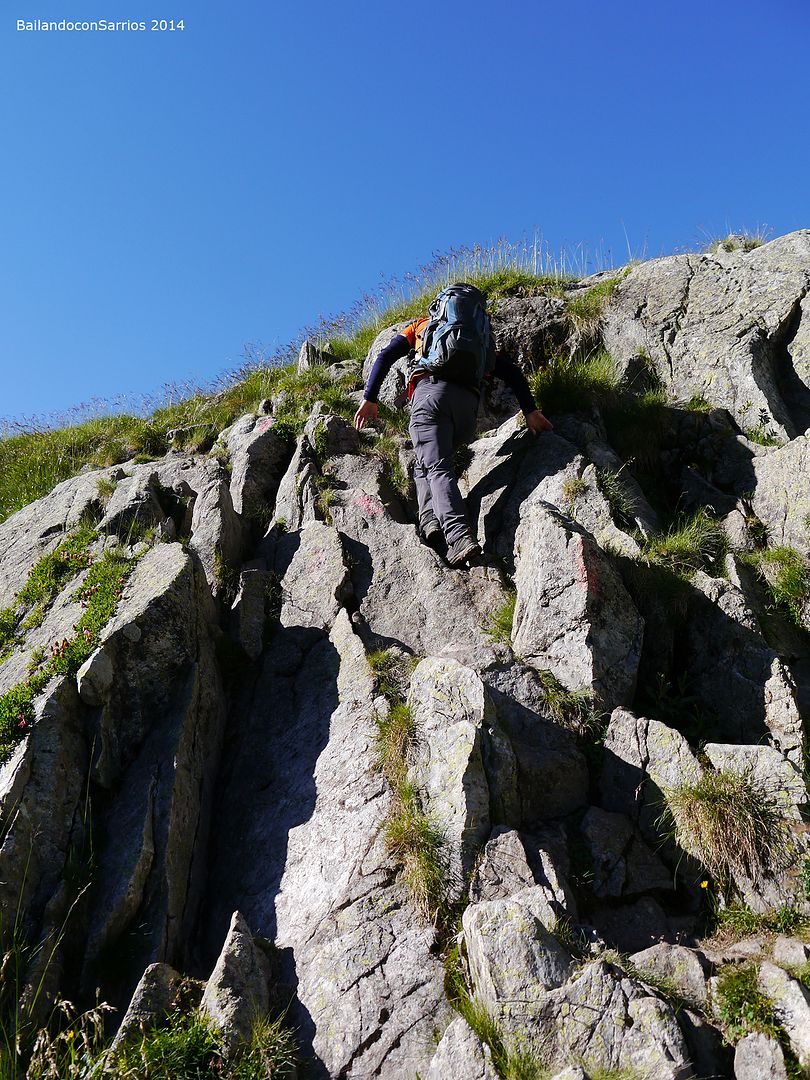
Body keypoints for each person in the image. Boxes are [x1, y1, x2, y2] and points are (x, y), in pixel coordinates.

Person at [353, 284, 553, 566]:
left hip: (431, 397)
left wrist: (370, 398)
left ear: (440, 306)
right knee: (424, 463)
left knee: (437, 468)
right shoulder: (480, 339)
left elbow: (385, 356)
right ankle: (430, 521)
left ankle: (459, 536)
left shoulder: (422, 326)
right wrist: (530, 410)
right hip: (467, 410)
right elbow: (511, 372)